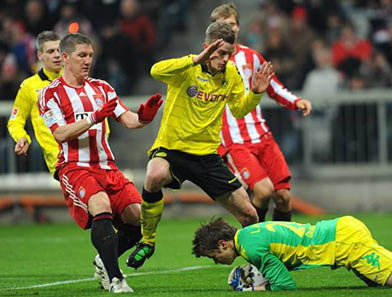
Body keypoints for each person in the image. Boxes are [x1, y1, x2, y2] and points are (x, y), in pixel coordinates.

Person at [126, 21, 274, 269]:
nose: (225, 59)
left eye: (229, 53)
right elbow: (155, 71)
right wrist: (195, 59)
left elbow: (239, 110)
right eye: (220, 53)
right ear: (207, 47)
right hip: (172, 149)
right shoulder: (186, 69)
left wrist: (256, 93)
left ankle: (259, 268)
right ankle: (147, 242)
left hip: (206, 156)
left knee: (250, 214)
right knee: (154, 175)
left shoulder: (231, 75)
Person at [38, 33, 163, 293]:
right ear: (65, 58)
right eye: (82, 55)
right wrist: (94, 117)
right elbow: (60, 133)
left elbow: (127, 120)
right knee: (101, 205)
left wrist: (145, 117)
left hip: (108, 167)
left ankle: (104, 258)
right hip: (75, 167)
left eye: (90, 56)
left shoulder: (102, 88)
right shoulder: (50, 94)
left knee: (141, 220)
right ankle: (115, 278)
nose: (87, 61)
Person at [192, 208, 392, 291]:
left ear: (222, 244)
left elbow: (287, 285)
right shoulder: (250, 233)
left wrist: (260, 288)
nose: (219, 262)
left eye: (214, 257)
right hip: (342, 231)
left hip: (345, 244)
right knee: (384, 274)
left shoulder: (251, 250)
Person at [211, 3, 312, 223]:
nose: (230, 29)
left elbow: (273, 86)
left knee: (284, 197)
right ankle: (256, 249)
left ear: (238, 27)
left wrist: (296, 101)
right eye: (224, 25)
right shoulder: (209, 62)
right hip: (234, 141)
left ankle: (282, 246)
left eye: (233, 24)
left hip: (261, 135)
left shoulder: (252, 57)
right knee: (263, 192)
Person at [7, 31, 61, 178]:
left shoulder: (76, 79)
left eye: (59, 50)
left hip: (88, 155)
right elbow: (15, 121)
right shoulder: (29, 86)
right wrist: (22, 137)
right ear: (40, 56)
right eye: (51, 51)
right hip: (60, 160)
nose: (57, 55)